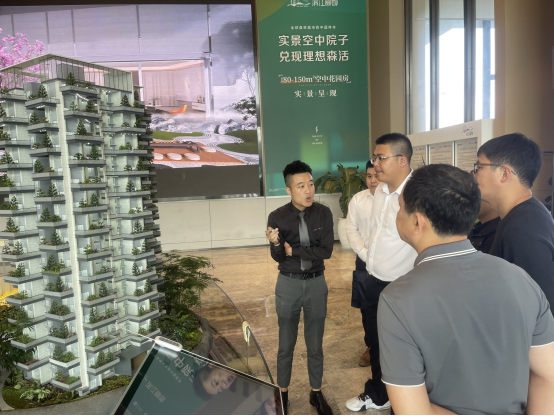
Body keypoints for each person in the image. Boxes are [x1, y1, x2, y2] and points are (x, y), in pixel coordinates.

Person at [378, 163, 554, 414]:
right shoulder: (521, 279)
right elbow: (548, 376)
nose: (397, 215)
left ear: (417, 222)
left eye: (400, 208)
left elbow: (414, 411)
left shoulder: (397, 300)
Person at [345, 133, 417, 412]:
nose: (375, 164)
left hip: (403, 286)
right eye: (374, 158)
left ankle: (408, 400)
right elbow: (377, 234)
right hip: (374, 280)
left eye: (380, 158)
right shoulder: (382, 192)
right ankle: (380, 393)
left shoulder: (417, 194)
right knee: (376, 340)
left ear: (402, 160)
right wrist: (369, 260)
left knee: (403, 346)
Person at [266, 160, 334, 415]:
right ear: (289, 190)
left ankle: (316, 392)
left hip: (316, 283)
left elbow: (325, 251)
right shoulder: (277, 217)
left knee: (315, 344)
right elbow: (278, 258)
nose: (308, 190)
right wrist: (276, 245)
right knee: (286, 344)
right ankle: (282, 393)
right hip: (289, 284)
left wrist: (292, 250)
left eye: (311, 184)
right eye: (301, 186)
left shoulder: (323, 213)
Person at [473, 133, 554, 307]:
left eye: (479, 167)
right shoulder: (519, 217)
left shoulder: (524, 231)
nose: (474, 176)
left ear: (504, 173)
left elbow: (541, 308)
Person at [345, 160, 380, 367]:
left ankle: (388, 347)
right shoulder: (358, 199)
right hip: (364, 260)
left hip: (390, 261)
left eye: (376, 175)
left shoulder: (395, 199)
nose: (373, 180)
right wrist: (365, 255)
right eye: (369, 176)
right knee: (366, 307)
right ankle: (371, 346)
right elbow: (351, 229)